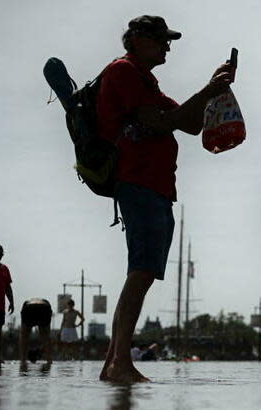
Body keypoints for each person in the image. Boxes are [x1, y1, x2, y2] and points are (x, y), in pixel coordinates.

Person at [97, 15, 236, 383]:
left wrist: (214, 88)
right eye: (161, 39)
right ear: (138, 39)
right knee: (140, 272)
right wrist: (207, 91)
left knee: (141, 273)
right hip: (139, 182)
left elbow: (189, 123)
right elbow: (159, 123)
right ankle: (119, 363)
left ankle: (113, 362)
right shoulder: (124, 72)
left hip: (157, 186)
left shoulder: (148, 82)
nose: (168, 46)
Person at [19, 298, 53, 366]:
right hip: (44, 308)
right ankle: (49, 359)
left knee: (24, 335)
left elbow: (23, 331)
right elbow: (47, 334)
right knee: (46, 336)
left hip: (29, 308)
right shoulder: (45, 302)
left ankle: (23, 359)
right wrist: (42, 349)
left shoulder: (27, 301)